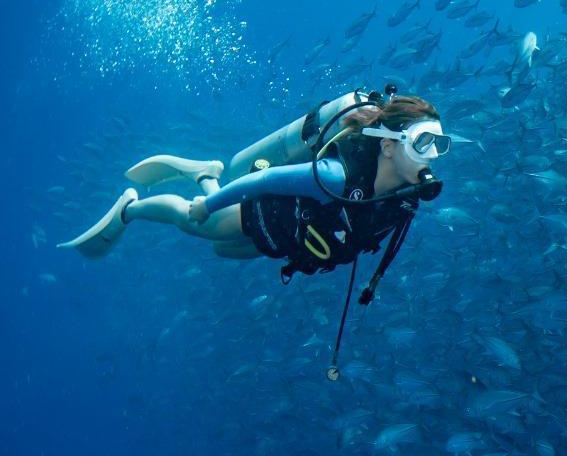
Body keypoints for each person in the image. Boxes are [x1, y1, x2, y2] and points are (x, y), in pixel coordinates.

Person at [61, 89, 449, 375]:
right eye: (423, 143)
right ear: (387, 146)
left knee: (225, 252)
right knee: (199, 225)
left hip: (285, 240)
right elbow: (266, 181)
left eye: (439, 145)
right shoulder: (336, 176)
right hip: (266, 213)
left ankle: (204, 174)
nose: (431, 156)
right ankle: (132, 208)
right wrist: (207, 206)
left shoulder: (404, 198)